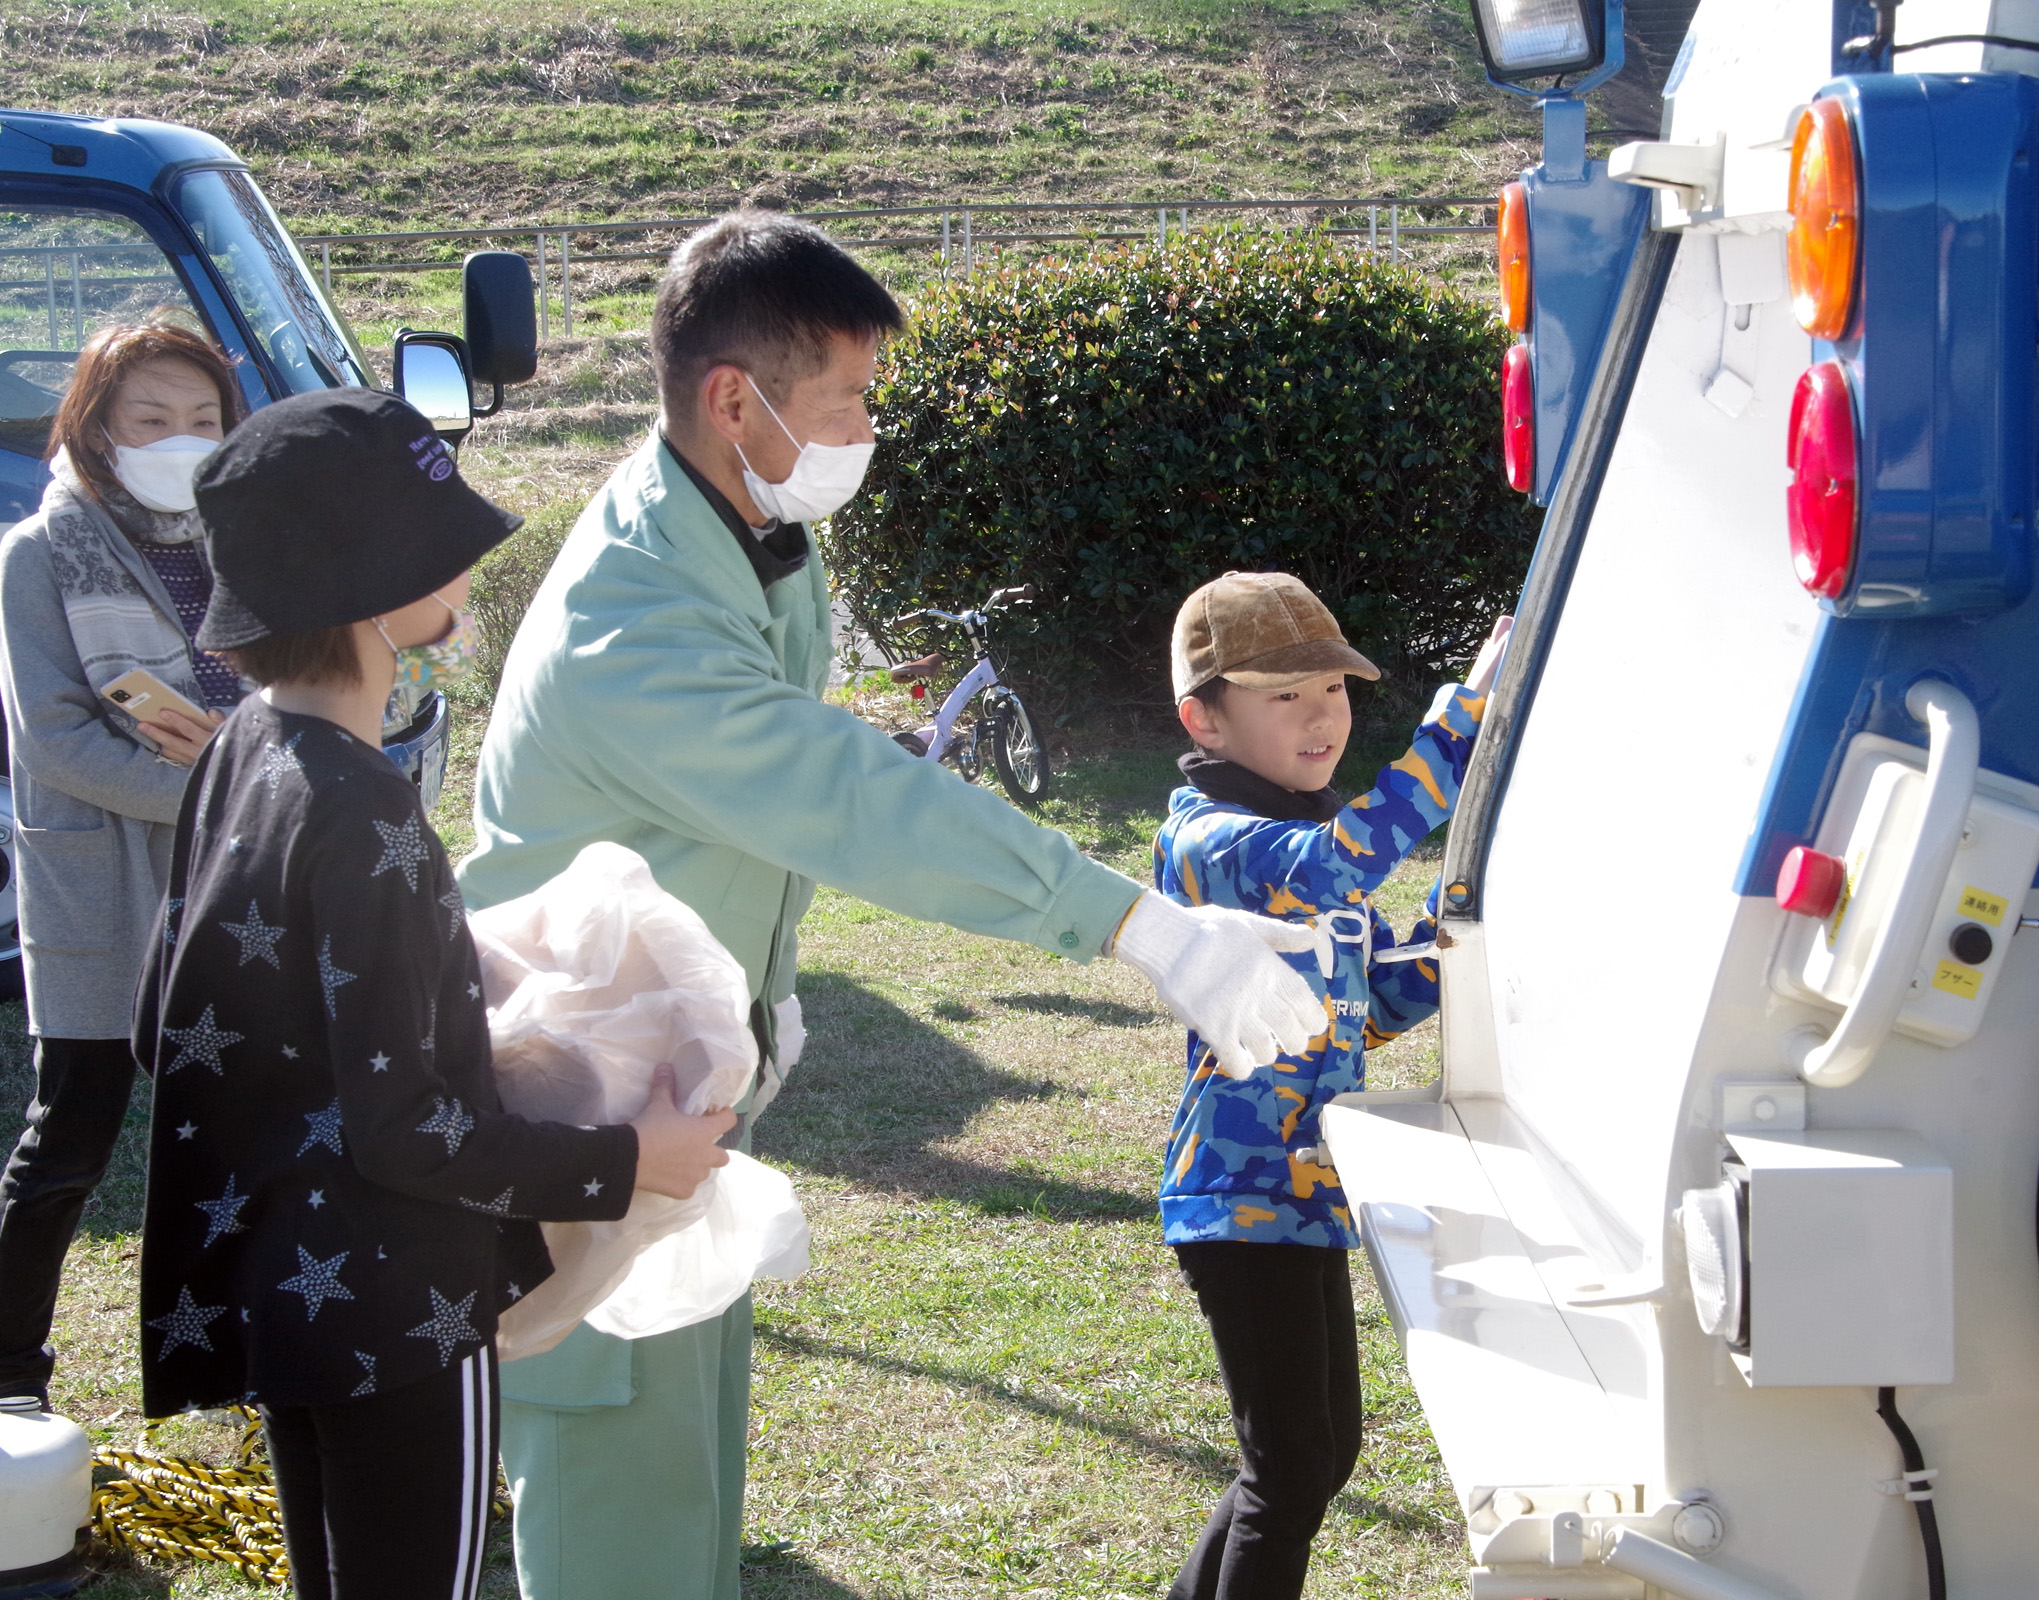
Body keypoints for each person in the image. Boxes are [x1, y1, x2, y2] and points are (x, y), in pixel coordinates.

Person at [456, 209, 1324, 1600]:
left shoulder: (733, 524)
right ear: (735, 399)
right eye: (850, 398)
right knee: (621, 1475)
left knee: (687, 1452)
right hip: (578, 1105)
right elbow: (846, 793)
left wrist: (763, 983)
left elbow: (766, 804)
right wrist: (1144, 927)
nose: (870, 427)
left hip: (662, 1074)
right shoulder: (638, 619)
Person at [131, 388, 738, 1600]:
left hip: (286, 1297)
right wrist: (630, 1159)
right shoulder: (367, 809)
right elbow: (409, 1130)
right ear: (366, 585)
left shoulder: (245, 749)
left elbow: (169, 1026)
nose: (465, 552)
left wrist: (451, 971)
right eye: (434, 537)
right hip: (405, 1315)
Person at [1153, 571, 1509, 1600]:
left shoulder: (1305, 826)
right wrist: (1461, 723)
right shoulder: (1216, 840)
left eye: (1336, 691)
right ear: (1202, 719)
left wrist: (1453, 950)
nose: (1322, 716)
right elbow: (1329, 871)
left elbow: (1366, 1005)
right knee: (1293, 1464)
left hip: (1304, 1190)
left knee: (1314, 1456)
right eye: (1283, 694)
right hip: (1239, 1189)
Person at [0, 320, 246, 1409]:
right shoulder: (39, 552)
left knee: (259, 1138)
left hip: (242, 886)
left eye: (202, 419)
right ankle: (10, 1376)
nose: (178, 440)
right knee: (70, 1138)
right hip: (104, 880)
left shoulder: (249, 537)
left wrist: (250, 768)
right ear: (97, 426)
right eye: (150, 419)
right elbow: (56, 740)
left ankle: (262, 1370)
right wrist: (218, 787)